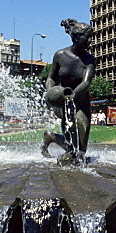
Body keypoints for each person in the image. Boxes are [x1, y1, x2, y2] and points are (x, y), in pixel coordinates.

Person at [41, 19, 95, 162]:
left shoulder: (89, 60)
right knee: (73, 149)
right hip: (63, 103)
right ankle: (52, 138)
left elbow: (86, 82)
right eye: (87, 37)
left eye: (91, 36)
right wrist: (50, 95)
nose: (90, 40)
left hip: (81, 103)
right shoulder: (60, 55)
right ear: (77, 37)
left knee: (81, 151)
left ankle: (51, 137)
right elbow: (51, 78)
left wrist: (73, 95)